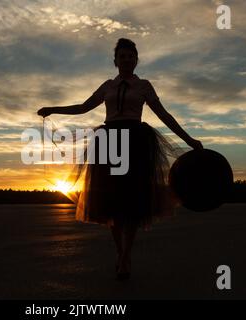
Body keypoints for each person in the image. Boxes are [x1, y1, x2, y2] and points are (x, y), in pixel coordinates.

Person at [37, 38, 203, 280]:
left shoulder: (144, 86)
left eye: (131, 56)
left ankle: (126, 256)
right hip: (108, 141)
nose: (127, 60)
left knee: (133, 203)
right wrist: (53, 109)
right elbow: (84, 107)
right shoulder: (107, 86)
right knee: (111, 203)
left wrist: (189, 140)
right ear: (115, 61)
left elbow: (164, 115)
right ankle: (121, 254)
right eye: (122, 56)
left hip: (136, 141)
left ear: (137, 60)